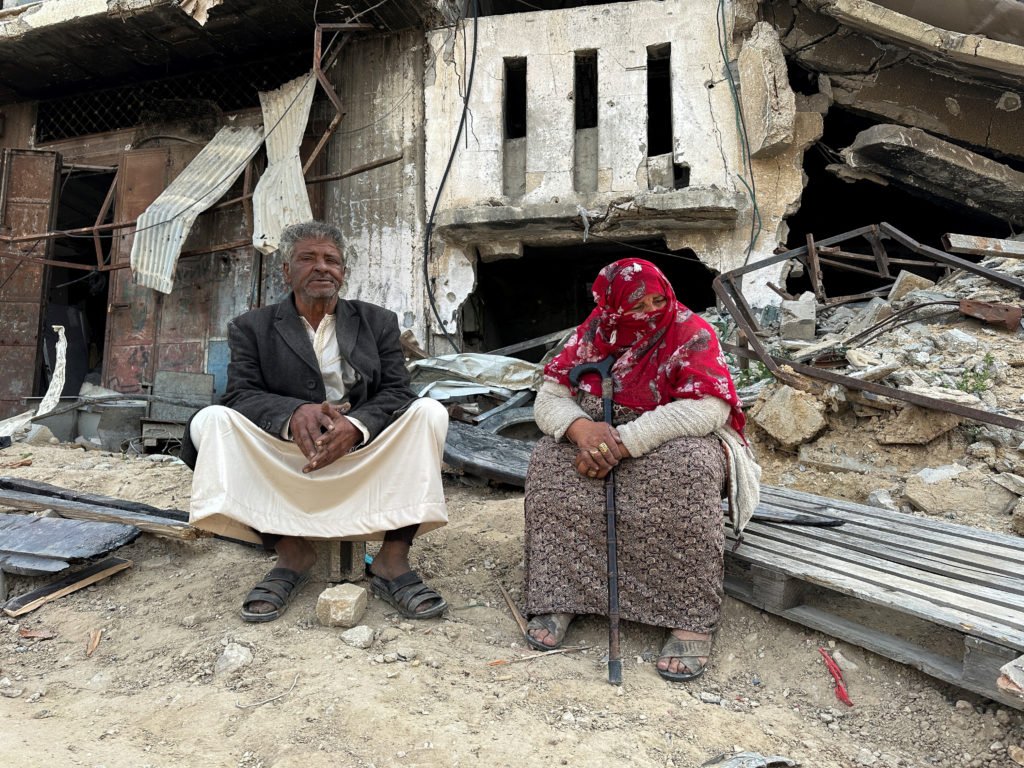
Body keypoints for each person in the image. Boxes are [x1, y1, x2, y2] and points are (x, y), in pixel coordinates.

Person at [180, 220, 449, 623]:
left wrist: (357, 426)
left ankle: (392, 560)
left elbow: (397, 392)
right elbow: (240, 395)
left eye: (331, 260)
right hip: (289, 454)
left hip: (361, 452)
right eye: (308, 258)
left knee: (430, 413)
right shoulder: (251, 327)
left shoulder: (377, 321)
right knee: (210, 421)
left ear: (343, 272)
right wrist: (293, 412)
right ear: (286, 271)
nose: (322, 267)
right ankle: (291, 554)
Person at [522, 258, 760, 681]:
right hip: (596, 437)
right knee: (548, 463)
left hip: (669, 438)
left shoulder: (691, 332)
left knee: (689, 470)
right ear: (612, 306)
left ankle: (689, 618)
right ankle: (564, 595)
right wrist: (579, 429)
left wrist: (624, 442)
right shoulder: (592, 334)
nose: (649, 311)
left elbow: (709, 408)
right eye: (635, 305)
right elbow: (550, 397)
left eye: (657, 300)